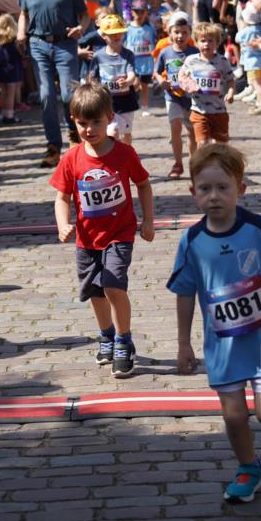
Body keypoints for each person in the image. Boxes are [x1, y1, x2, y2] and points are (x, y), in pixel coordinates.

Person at [167, 144, 261, 501]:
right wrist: (183, 343)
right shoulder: (191, 241)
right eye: (205, 189)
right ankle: (248, 468)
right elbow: (185, 293)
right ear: (193, 192)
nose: (214, 196)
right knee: (234, 416)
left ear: (241, 189)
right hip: (223, 346)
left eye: (223, 187)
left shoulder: (258, 228)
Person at [50, 82, 154, 378]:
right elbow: (62, 197)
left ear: (110, 117)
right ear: (73, 121)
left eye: (96, 122)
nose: (89, 129)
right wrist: (63, 224)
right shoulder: (71, 159)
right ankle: (106, 334)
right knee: (95, 292)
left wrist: (147, 220)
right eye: (82, 123)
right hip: (86, 239)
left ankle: (123, 341)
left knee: (113, 285)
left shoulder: (124, 154)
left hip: (120, 234)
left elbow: (143, 185)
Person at [17, 0, 89, 168]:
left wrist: (80, 29)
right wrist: (20, 35)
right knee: (46, 95)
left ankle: (74, 136)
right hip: (38, 44)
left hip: (65, 44)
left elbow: (85, 16)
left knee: (69, 95)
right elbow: (23, 13)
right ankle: (53, 146)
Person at [154, 13, 196, 179]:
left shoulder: (194, 52)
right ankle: (178, 163)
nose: (180, 36)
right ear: (169, 33)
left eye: (184, 32)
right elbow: (156, 72)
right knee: (176, 126)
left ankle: (194, 163)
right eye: (176, 32)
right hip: (172, 96)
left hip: (191, 98)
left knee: (191, 132)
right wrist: (160, 81)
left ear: (190, 33)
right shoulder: (165, 52)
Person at [177, 22, 234, 146]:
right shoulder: (191, 60)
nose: (206, 44)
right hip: (199, 110)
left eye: (210, 41)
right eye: (203, 41)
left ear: (217, 43)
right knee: (202, 143)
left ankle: (218, 159)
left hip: (219, 111)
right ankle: (202, 159)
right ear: (196, 43)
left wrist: (230, 93)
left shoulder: (222, 61)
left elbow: (230, 79)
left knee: (221, 145)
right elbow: (181, 76)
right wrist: (188, 84)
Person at [89, 14, 138, 144]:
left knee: (127, 132)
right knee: (112, 130)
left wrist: (127, 82)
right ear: (103, 35)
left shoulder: (128, 54)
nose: (117, 36)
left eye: (119, 33)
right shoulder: (98, 56)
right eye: (112, 34)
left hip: (126, 100)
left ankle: (127, 153)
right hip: (107, 101)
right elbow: (92, 78)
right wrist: (94, 93)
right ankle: (112, 153)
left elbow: (132, 73)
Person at [125, 0, 156, 116]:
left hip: (147, 62)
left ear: (146, 12)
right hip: (133, 62)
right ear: (132, 12)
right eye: (136, 11)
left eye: (142, 11)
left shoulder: (150, 27)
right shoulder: (128, 28)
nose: (139, 14)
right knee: (134, 84)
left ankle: (145, 107)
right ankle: (132, 100)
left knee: (145, 86)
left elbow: (154, 41)